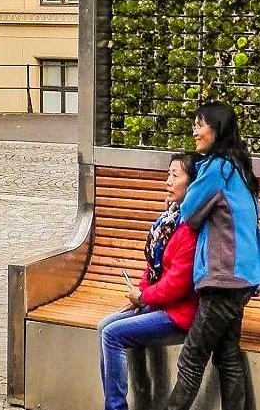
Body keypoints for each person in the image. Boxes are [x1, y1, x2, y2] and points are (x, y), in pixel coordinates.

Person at [164, 100, 260, 410]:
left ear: (217, 130)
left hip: (223, 278)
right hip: (241, 278)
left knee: (191, 358)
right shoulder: (239, 166)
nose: (194, 131)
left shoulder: (217, 167)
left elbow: (189, 213)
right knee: (227, 354)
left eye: (200, 125)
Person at [98, 153, 199, 410]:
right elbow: (153, 265)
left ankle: (115, 407)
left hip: (181, 314)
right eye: (168, 174)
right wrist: (139, 295)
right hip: (161, 304)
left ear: (193, 183)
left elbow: (179, 284)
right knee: (104, 325)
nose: (168, 181)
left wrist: (143, 298)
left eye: (175, 176)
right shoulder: (170, 219)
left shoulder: (190, 226)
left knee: (113, 334)